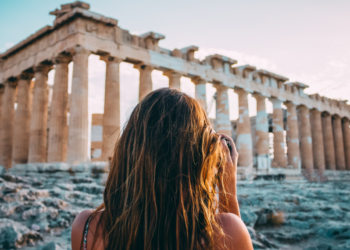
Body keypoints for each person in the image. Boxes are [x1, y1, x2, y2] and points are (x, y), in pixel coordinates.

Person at [71, 88, 253, 250]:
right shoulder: (227, 231)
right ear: (200, 157)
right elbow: (231, 236)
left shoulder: (86, 227)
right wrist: (227, 186)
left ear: (128, 148)